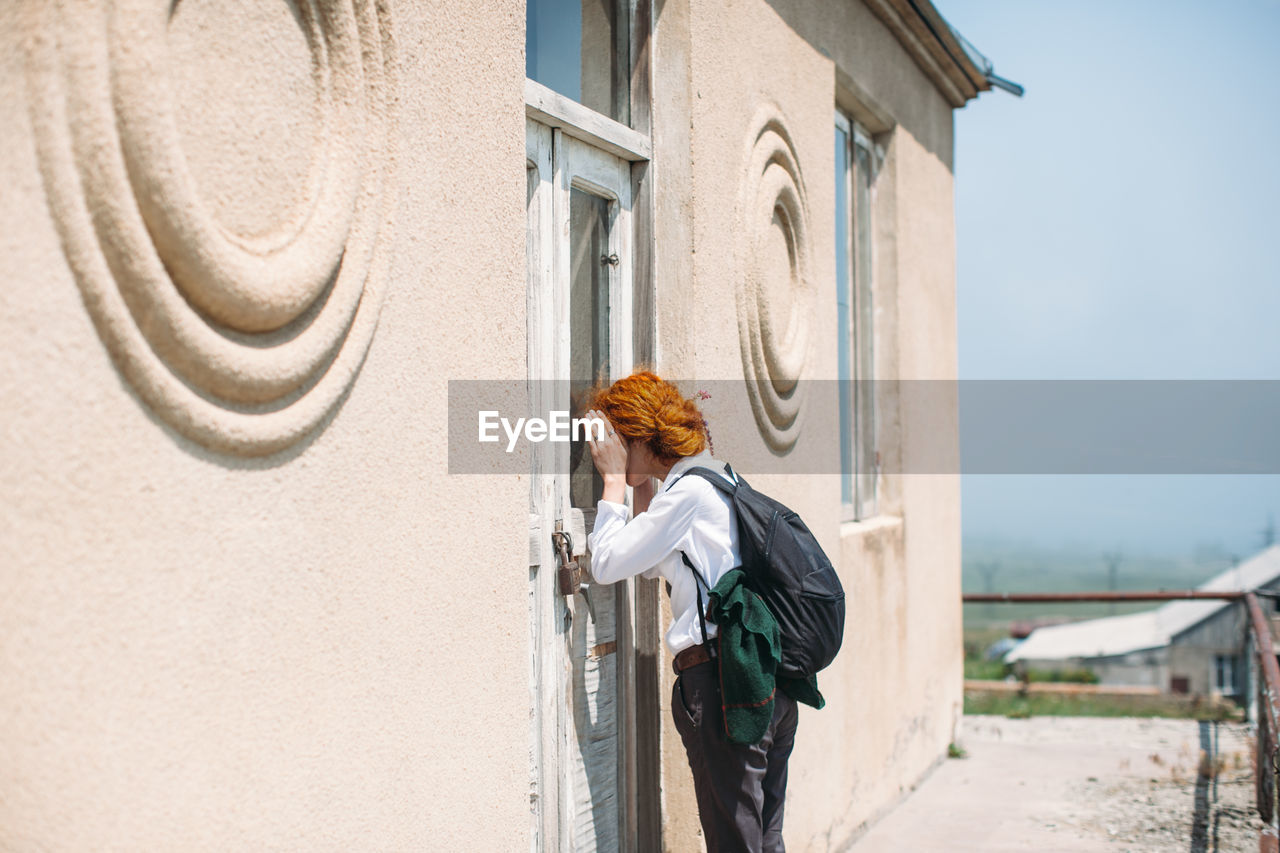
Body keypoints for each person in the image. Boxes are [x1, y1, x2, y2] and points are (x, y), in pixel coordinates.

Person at [583, 370, 799, 853]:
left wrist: (614, 481)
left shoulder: (689, 494)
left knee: (735, 845)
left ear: (637, 437)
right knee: (763, 841)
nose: (605, 449)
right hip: (767, 682)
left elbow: (607, 564)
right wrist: (641, 489)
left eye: (616, 439)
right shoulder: (719, 478)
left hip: (727, 687)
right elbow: (652, 559)